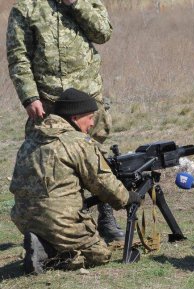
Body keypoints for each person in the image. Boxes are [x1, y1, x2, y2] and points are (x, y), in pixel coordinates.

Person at [6, 0, 123, 242]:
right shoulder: (26, 8)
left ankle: (105, 216)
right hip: (48, 104)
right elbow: (18, 57)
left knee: (95, 159)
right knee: (49, 167)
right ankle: (60, 222)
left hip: (87, 101)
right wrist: (29, 97)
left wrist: (76, 4)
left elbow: (103, 33)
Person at [9, 88, 142, 274]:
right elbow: (102, 183)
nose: (93, 122)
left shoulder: (31, 140)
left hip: (23, 219)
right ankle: (49, 253)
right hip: (58, 222)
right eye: (89, 117)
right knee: (100, 254)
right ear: (75, 118)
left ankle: (43, 242)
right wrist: (127, 198)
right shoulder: (77, 142)